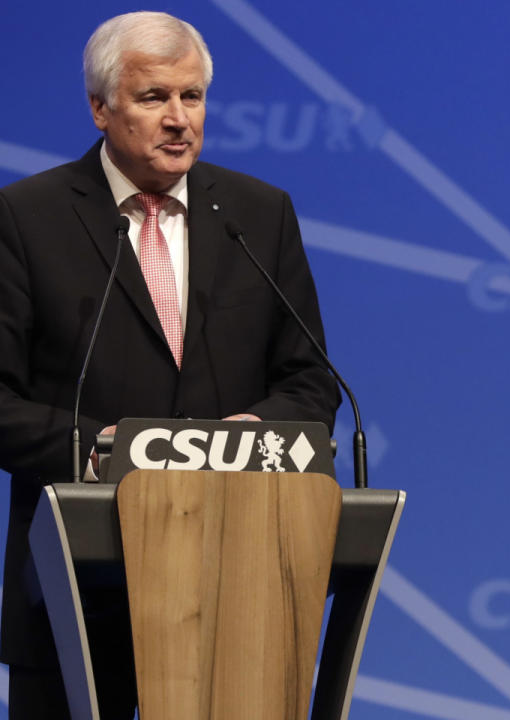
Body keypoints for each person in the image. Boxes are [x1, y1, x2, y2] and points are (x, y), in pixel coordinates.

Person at [0, 11, 340, 718]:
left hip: (239, 589)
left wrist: (250, 433)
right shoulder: (26, 219)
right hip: (78, 593)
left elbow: (310, 381)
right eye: (155, 98)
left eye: (193, 97)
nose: (180, 119)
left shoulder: (259, 213)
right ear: (100, 108)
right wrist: (99, 453)